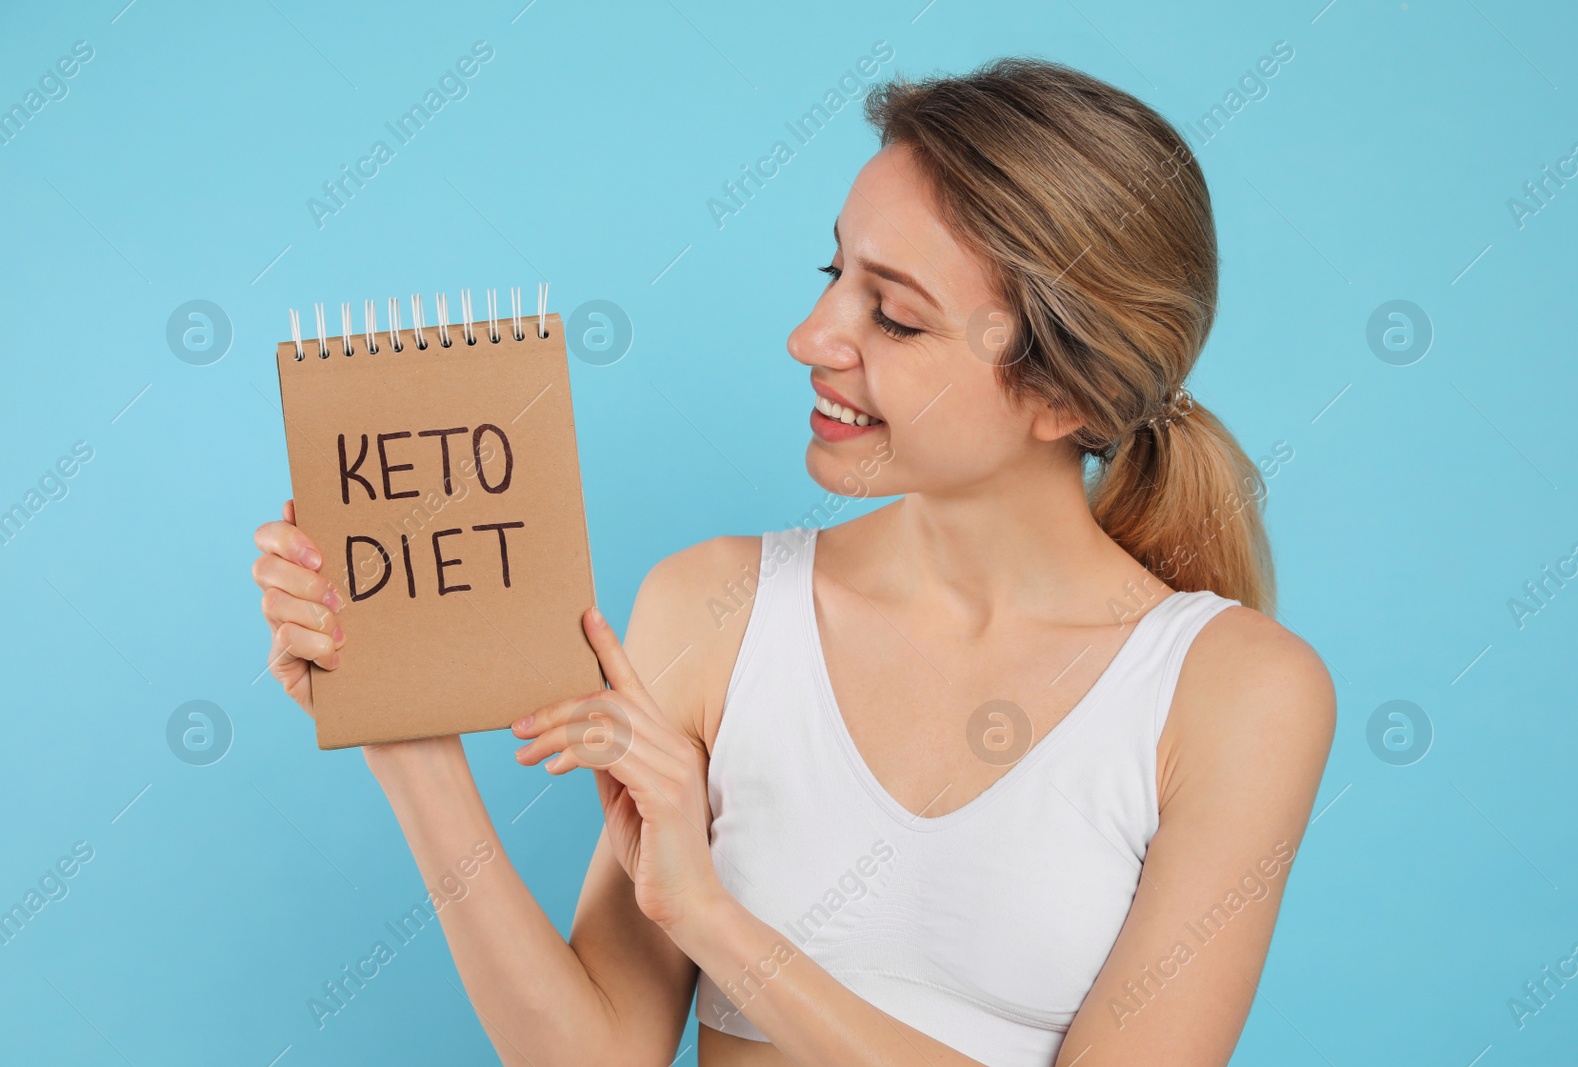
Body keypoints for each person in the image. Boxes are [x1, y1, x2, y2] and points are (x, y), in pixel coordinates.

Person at [252, 57, 1334, 1067]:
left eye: (895, 317)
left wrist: (712, 917)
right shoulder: (711, 608)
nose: (811, 334)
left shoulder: (1236, 694)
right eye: (834, 271)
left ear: (1066, 397)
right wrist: (401, 732)